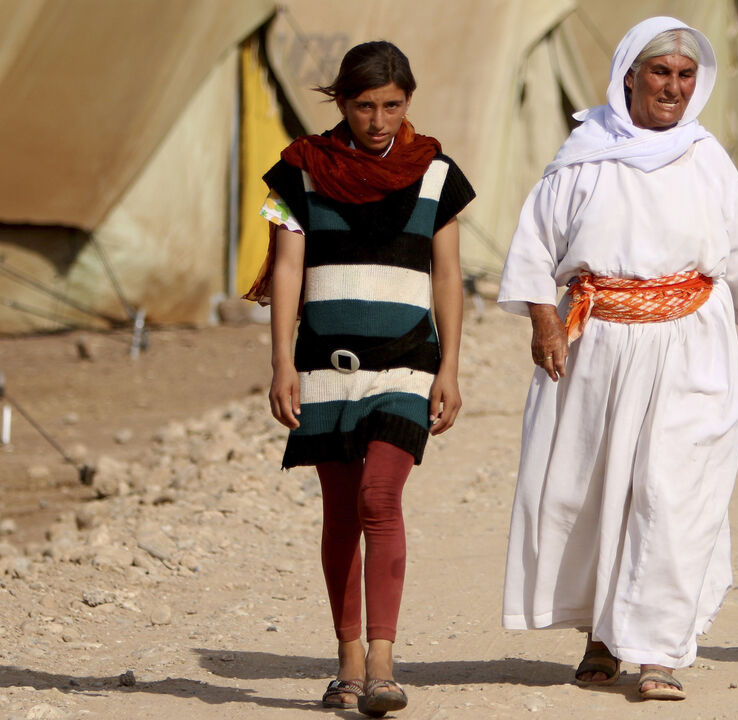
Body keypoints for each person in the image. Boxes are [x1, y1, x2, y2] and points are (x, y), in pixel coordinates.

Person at [497, 16, 738, 702]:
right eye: (660, 73)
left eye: (686, 76)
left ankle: (657, 649)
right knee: (597, 490)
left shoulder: (706, 156)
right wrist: (544, 323)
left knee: (673, 492)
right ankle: (602, 636)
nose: (673, 87)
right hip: (597, 345)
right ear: (629, 75)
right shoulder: (585, 155)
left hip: (693, 345)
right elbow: (535, 248)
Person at [244, 40, 474, 716]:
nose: (380, 120)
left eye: (393, 105)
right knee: (341, 511)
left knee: (380, 498)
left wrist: (450, 368)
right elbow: (286, 268)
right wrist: (281, 363)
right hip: (322, 365)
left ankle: (382, 661)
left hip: (406, 362)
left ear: (409, 102)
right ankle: (346, 662)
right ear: (341, 103)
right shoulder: (297, 173)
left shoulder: (437, 173)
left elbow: (450, 277)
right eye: (366, 106)